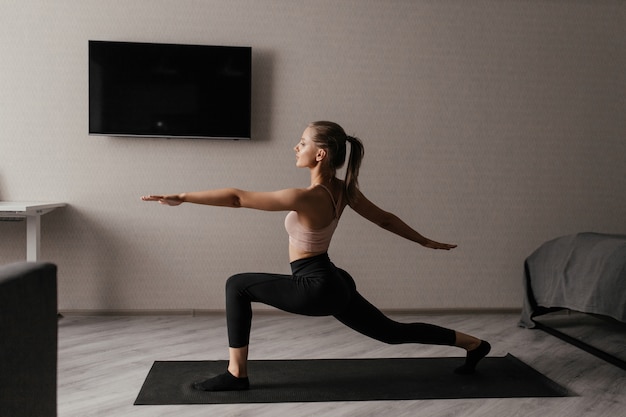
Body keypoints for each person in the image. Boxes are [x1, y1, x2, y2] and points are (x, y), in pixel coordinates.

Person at [141, 121, 490, 391]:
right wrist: (423, 241)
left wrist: (183, 196)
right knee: (391, 332)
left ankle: (237, 373)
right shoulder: (343, 190)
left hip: (317, 285)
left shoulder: (307, 197)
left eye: (303, 142)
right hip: (334, 280)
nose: (296, 146)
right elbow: (384, 218)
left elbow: (236, 198)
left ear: (320, 154)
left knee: (237, 285)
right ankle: (473, 344)